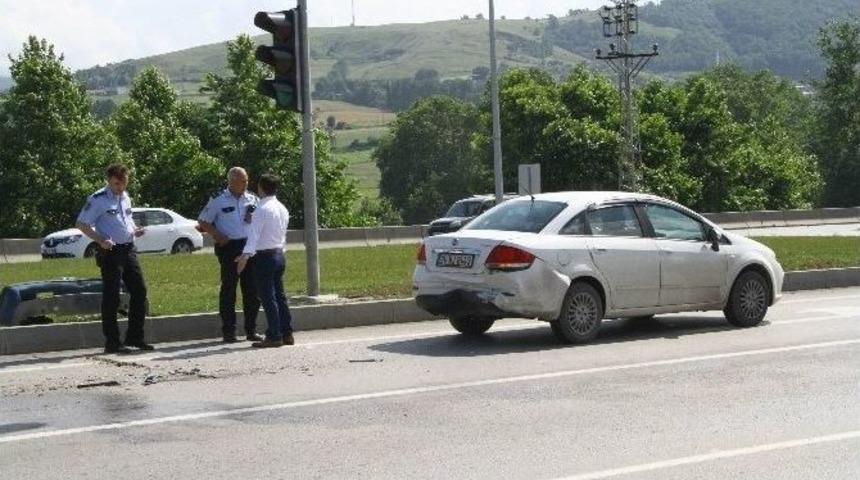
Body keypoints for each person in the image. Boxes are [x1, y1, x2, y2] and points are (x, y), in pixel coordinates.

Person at [76, 164, 154, 354]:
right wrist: (100, 240)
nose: (121, 187)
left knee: (139, 290)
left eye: (124, 182)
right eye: (117, 183)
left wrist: (135, 230)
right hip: (111, 252)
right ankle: (112, 342)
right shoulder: (98, 199)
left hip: (129, 249)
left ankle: (135, 337)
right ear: (109, 180)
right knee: (112, 296)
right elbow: (82, 224)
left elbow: (126, 219)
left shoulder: (125, 197)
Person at [198, 167, 262, 343]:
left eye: (247, 181)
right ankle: (229, 331)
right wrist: (217, 235)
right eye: (242, 181)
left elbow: (260, 216)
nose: (245, 184)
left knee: (252, 290)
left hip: (248, 246)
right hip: (229, 247)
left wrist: (253, 218)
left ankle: (251, 330)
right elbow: (203, 220)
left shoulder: (252, 199)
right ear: (232, 181)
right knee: (229, 290)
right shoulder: (218, 200)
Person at [236, 173, 293, 348]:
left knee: (268, 298)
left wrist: (245, 256)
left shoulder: (261, 209)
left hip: (265, 256)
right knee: (280, 296)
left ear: (261, 187)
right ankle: (287, 333)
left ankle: (274, 335)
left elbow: (254, 235)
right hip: (279, 253)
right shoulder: (282, 208)